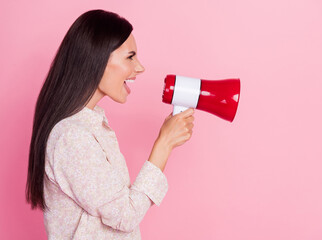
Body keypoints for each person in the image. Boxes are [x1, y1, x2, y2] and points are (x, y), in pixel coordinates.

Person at [26, 9, 195, 239]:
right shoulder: (71, 137)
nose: (140, 67)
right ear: (97, 59)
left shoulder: (92, 125)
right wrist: (164, 144)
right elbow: (125, 215)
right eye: (130, 57)